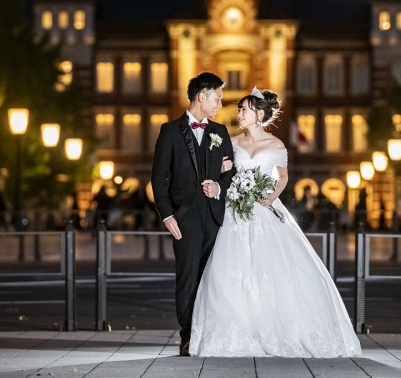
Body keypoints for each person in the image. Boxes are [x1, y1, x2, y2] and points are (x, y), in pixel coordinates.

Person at [190, 87, 362, 358]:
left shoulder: (277, 145)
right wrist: (223, 172)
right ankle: (237, 330)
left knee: (272, 267)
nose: (239, 114)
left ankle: (275, 328)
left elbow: (282, 177)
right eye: (239, 110)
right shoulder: (231, 142)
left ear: (259, 115)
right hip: (236, 211)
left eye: (244, 110)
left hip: (264, 208)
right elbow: (224, 173)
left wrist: (271, 197)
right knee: (231, 268)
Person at [151, 72, 235, 356]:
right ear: (202, 96)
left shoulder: (220, 132)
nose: (220, 104)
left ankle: (209, 335)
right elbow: (159, 178)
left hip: (215, 217)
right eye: (217, 98)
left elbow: (231, 174)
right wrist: (167, 215)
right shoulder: (170, 132)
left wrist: (219, 186)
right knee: (187, 277)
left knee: (212, 280)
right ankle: (188, 337)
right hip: (184, 218)